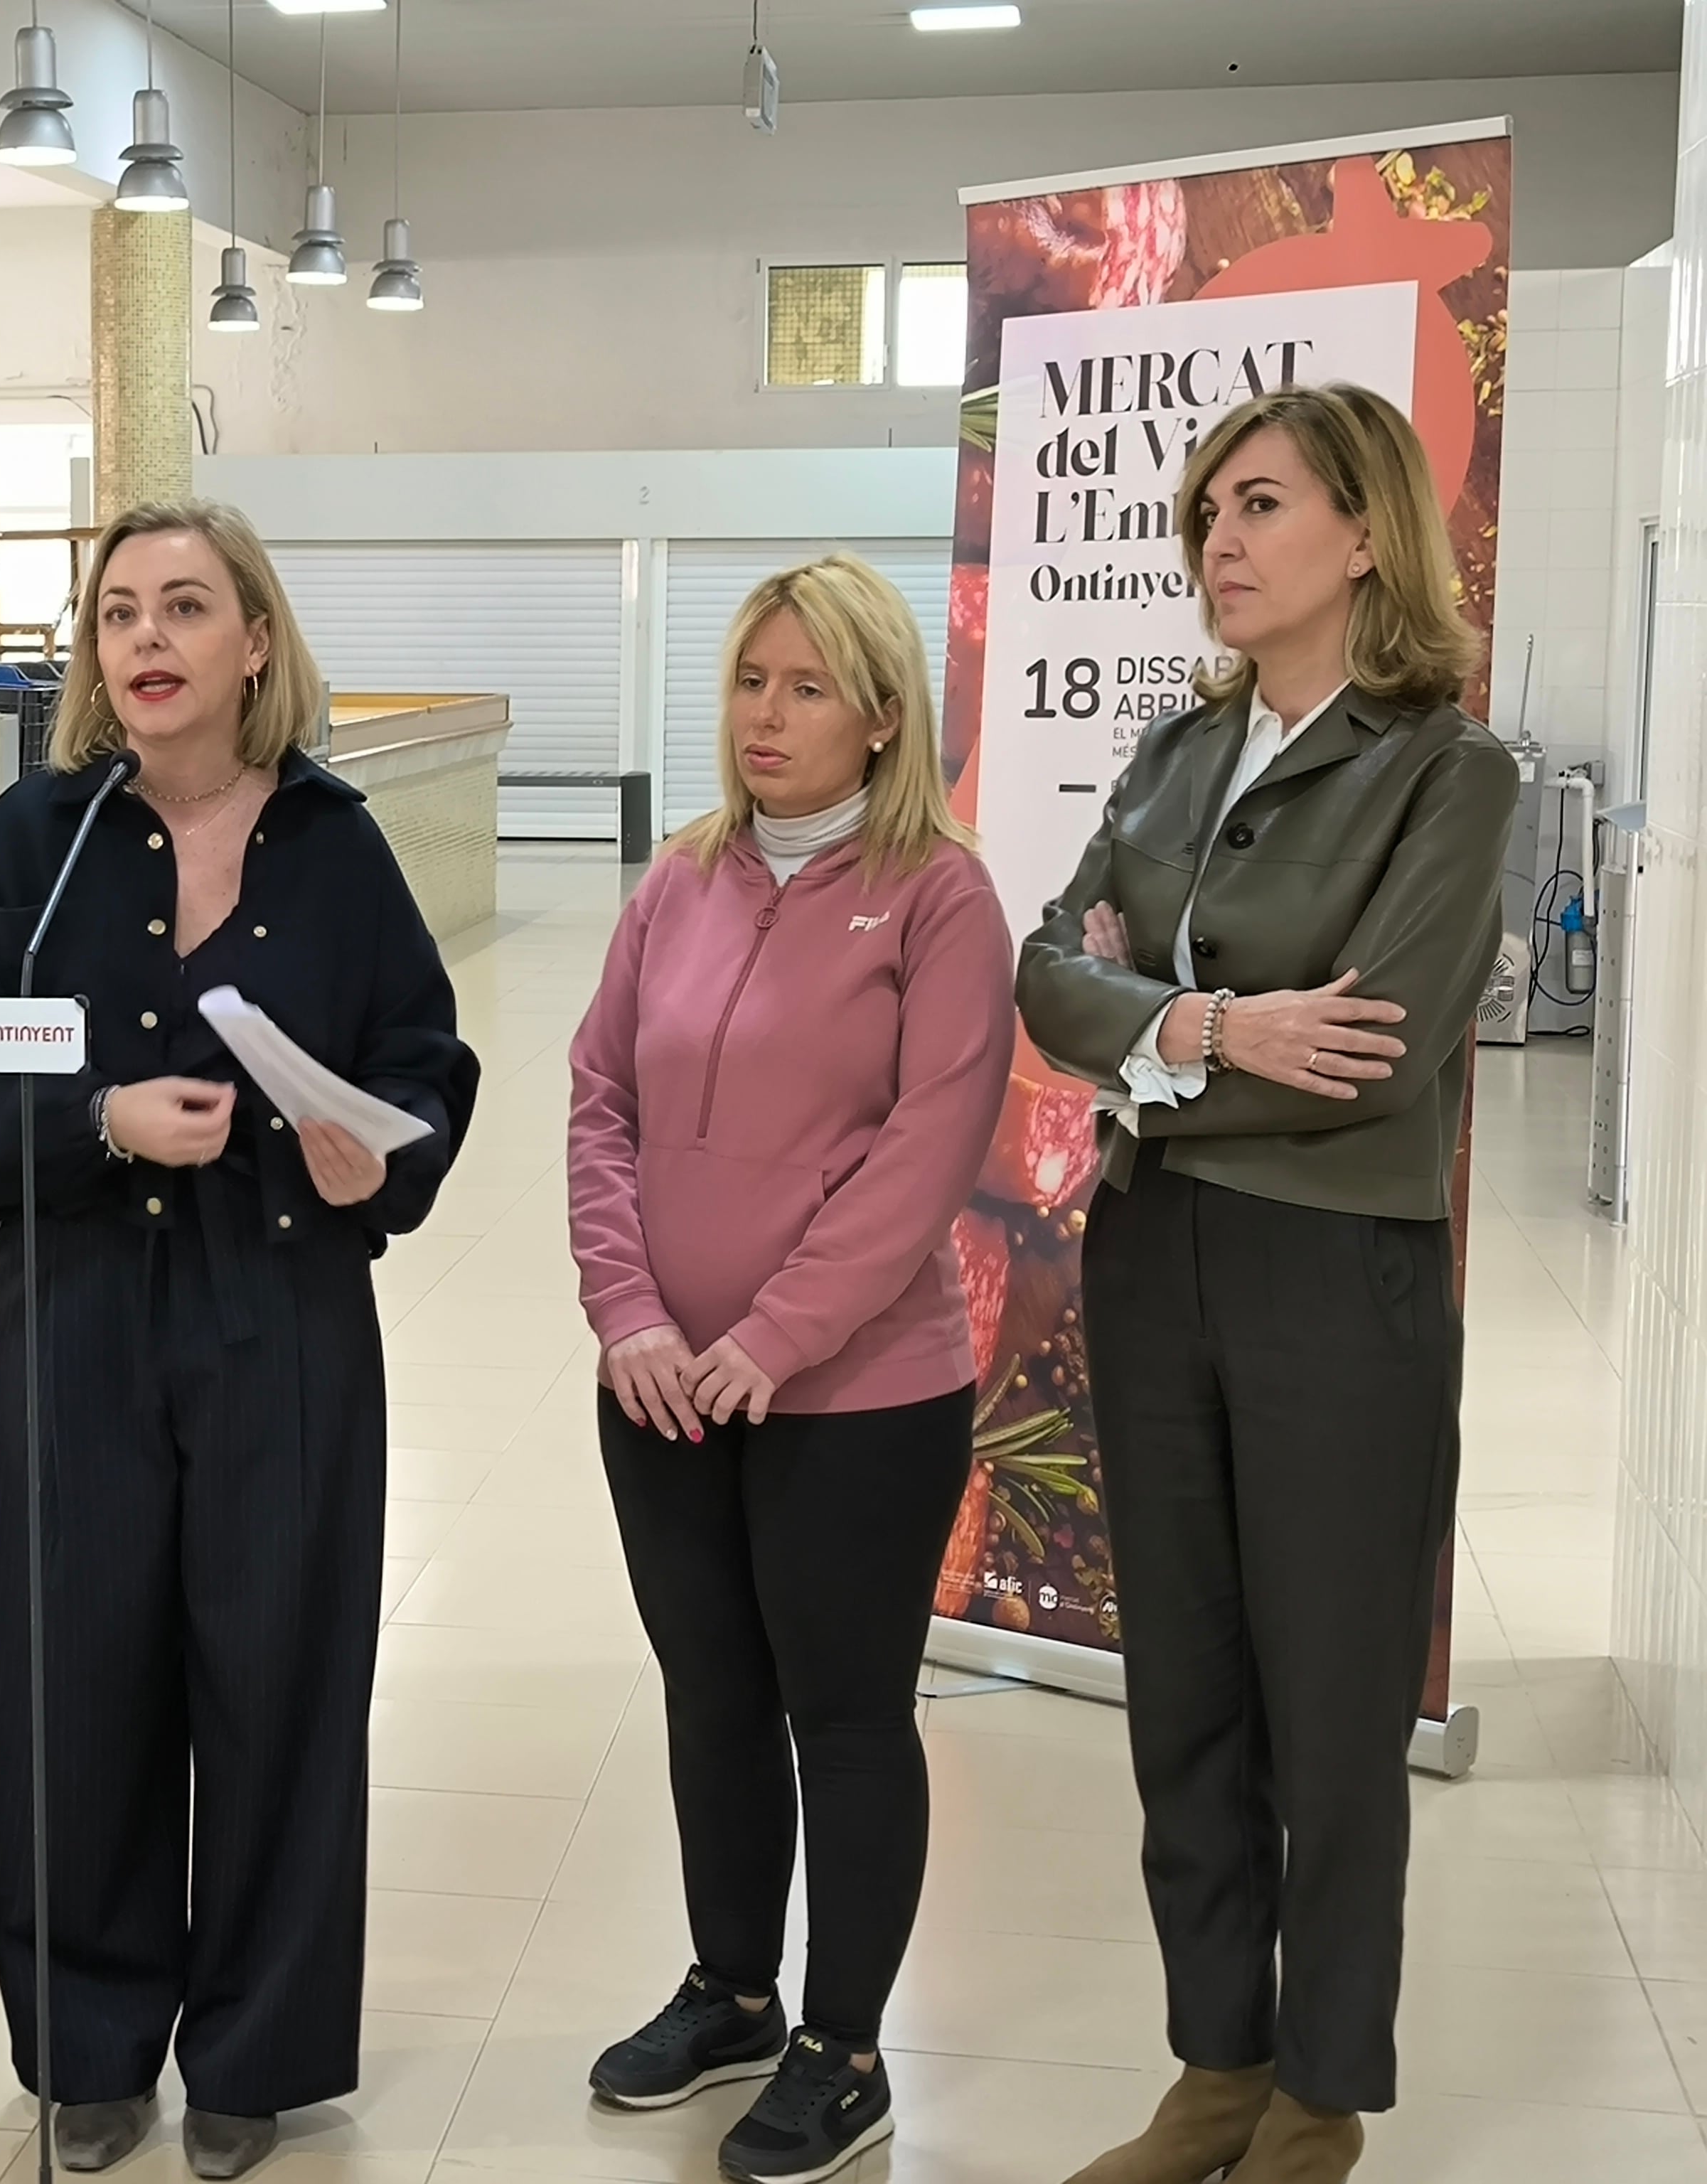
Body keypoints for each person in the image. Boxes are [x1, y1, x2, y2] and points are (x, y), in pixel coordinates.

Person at [0, 500, 478, 2179]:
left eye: (184, 607)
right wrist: (93, 1118)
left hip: (280, 1304)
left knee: (279, 1676)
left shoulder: (333, 846)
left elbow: (423, 1061)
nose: (145, 640)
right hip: (80, 1303)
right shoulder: (38, 842)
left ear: (251, 643)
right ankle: (89, 2039)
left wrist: (382, 1144)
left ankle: (255, 2047)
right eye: (117, 614)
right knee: (78, 1678)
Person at [1022, 385, 1517, 2184]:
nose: (1215, 543)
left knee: (1329, 1708)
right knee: (1188, 1697)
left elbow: (1376, 1055)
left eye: (1258, 506)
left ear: (1364, 534)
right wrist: (1218, 1021)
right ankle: (1211, 2068)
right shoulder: (1168, 756)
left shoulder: (1448, 772)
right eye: (1203, 512)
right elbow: (1039, 980)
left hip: (1336, 1281)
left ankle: (1320, 2094)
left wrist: (1137, 1023)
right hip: (1153, 1260)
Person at [567, 554, 1015, 2184]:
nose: (766, 714)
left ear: (881, 715)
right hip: (661, 1392)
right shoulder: (676, 882)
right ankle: (732, 1990)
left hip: (855, 1400)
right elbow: (597, 1098)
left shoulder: (942, 899)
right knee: (711, 1700)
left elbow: (925, 1153)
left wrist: (766, 1341)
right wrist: (629, 1315)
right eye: (750, 680)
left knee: (842, 1713)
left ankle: (843, 2048)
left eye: (806, 685)